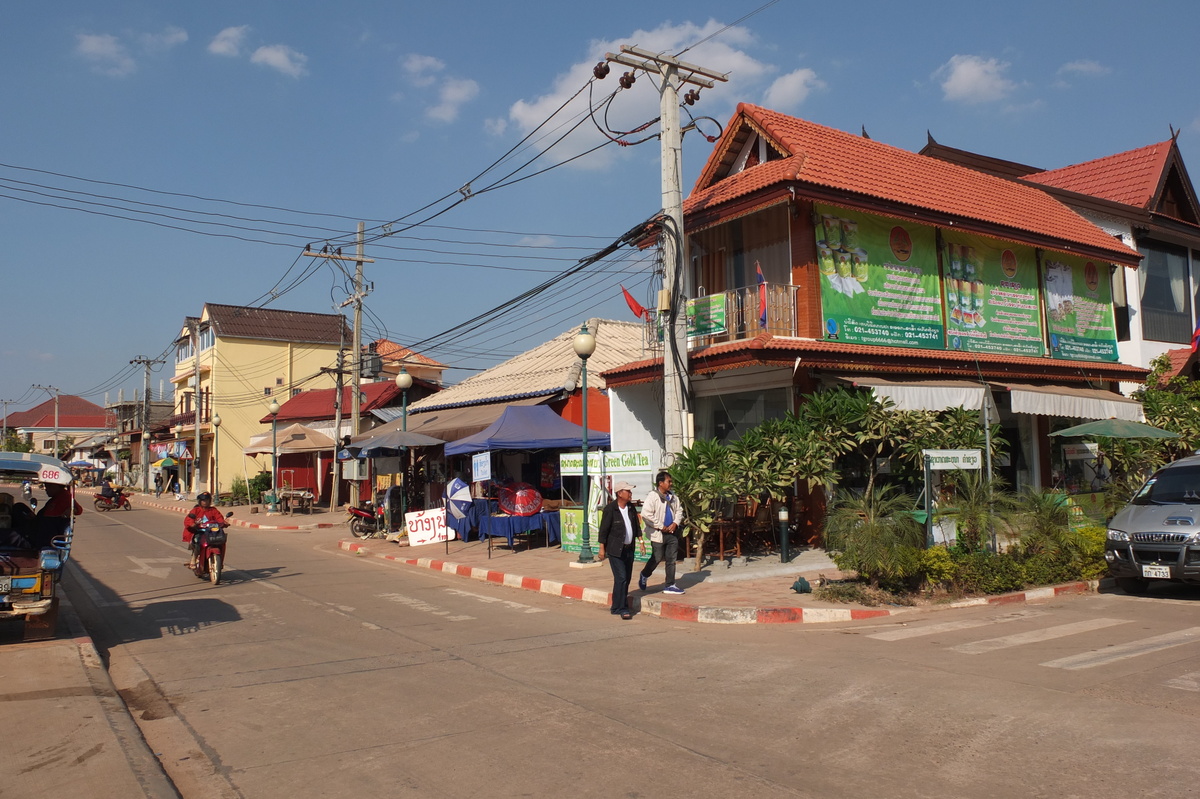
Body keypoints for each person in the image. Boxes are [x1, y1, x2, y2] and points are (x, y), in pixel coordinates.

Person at [597, 481, 641, 620]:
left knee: (625, 579)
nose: (630, 494)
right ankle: (623, 608)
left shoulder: (631, 508)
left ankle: (616, 606)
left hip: (629, 549)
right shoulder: (610, 509)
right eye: (628, 491)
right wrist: (601, 549)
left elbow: (636, 526)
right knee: (621, 577)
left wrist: (641, 542)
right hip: (615, 550)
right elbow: (603, 530)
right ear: (619, 493)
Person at [638, 470, 686, 595]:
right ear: (660, 483)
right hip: (657, 533)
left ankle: (670, 585)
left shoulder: (673, 497)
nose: (671, 483)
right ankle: (644, 574)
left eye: (671, 481)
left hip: (672, 533)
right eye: (668, 481)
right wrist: (661, 526)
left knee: (671, 559)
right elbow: (646, 514)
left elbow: (679, 511)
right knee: (657, 558)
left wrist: (675, 523)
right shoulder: (652, 497)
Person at [183, 492, 228, 569]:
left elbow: (219, 518)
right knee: (197, 542)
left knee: (222, 541)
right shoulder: (196, 510)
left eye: (207, 500)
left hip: (211, 532)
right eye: (203, 500)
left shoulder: (213, 510)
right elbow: (188, 520)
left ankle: (220, 562)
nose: (205, 502)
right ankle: (194, 558)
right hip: (199, 532)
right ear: (200, 501)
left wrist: (224, 523)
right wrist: (192, 524)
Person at [36, 481, 83, 549]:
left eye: (48, 487)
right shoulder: (55, 498)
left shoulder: (65, 497)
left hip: (48, 535)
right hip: (44, 529)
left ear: (55, 487)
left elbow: (79, 510)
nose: (46, 489)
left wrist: (71, 510)